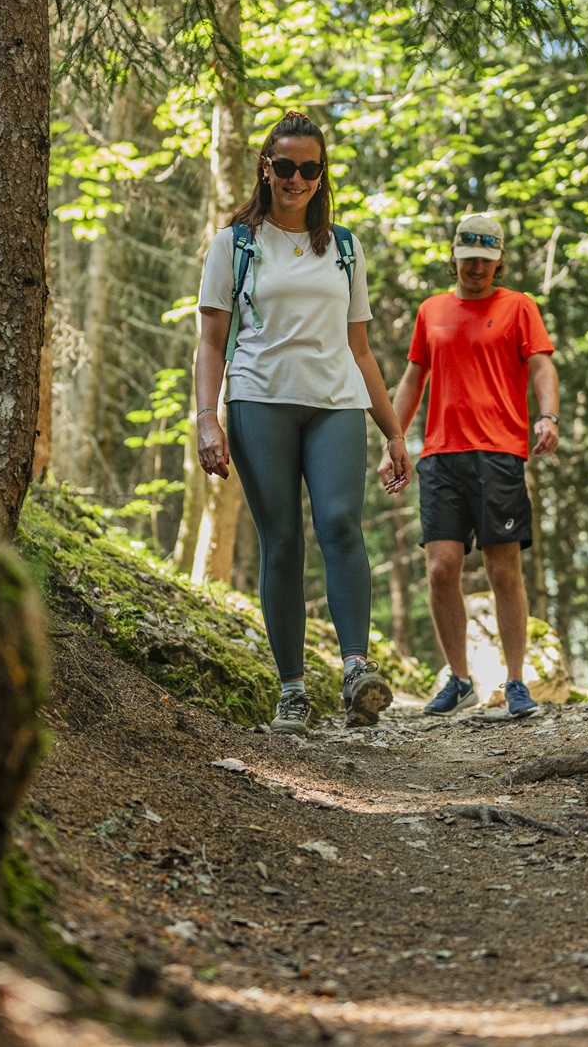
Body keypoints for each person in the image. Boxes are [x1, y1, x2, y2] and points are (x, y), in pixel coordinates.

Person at [193, 111, 412, 733]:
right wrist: (207, 421)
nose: (296, 178)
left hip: (336, 402)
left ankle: (355, 672)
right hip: (260, 400)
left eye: (308, 168)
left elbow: (361, 349)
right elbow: (211, 343)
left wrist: (394, 432)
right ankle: (292, 687)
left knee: (341, 523)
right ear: (266, 168)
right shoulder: (233, 244)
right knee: (282, 540)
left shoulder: (344, 247)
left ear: (321, 175)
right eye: (284, 166)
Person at [383, 212, 560, 719]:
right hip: (440, 454)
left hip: (500, 452)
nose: (475, 269)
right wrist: (395, 439)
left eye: (485, 260)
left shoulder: (519, 308)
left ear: (498, 260)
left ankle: (515, 681)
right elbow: (414, 378)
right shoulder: (432, 310)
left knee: (503, 570)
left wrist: (547, 416)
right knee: (441, 568)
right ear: (454, 259)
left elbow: (542, 365)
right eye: (467, 260)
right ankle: (458, 678)